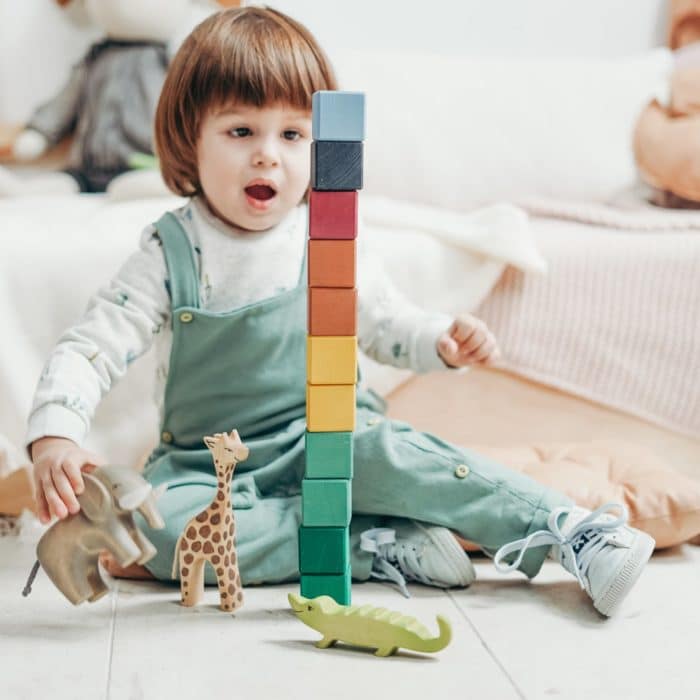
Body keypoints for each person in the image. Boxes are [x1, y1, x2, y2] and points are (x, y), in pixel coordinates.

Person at [27, 6, 654, 616]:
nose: (268, 155)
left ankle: (570, 531)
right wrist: (56, 431)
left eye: (292, 134)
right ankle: (366, 542)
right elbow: (94, 344)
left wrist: (440, 340)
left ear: (319, 146)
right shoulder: (169, 251)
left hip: (327, 436)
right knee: (165, 538)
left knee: (401, 455)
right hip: (208, 462)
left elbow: (387, 324)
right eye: (241, 131)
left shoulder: (324, 237)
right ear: (191, 140)